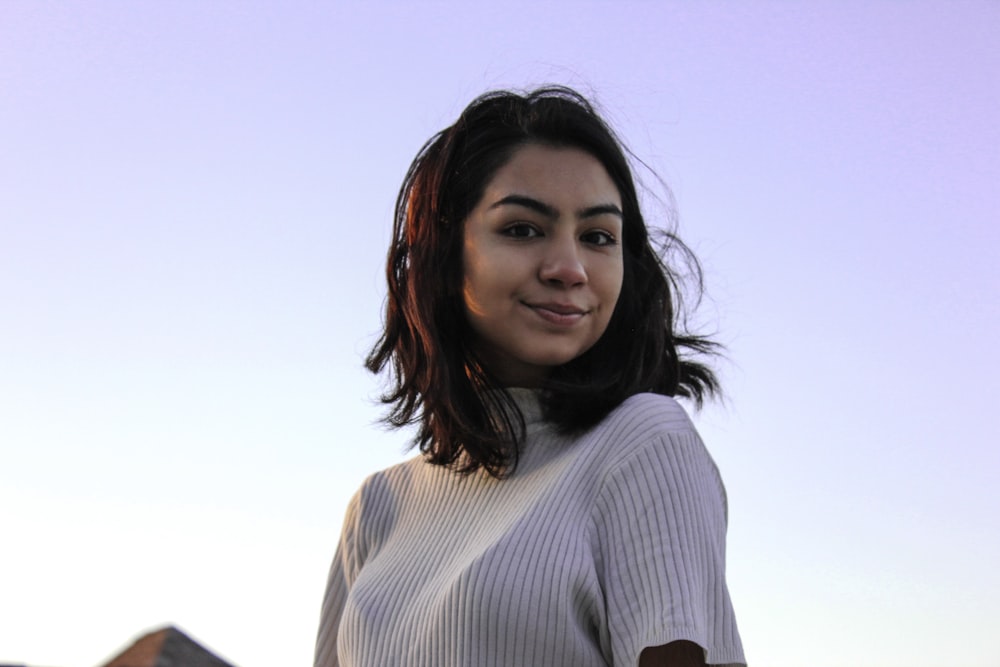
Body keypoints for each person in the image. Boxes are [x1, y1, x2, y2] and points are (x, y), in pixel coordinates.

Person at [315, 86, 746, 667]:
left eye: (598, 237)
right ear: (446, 253)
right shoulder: (377, 509)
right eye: (522, 229)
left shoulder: (643, 443)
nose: (568, 268)